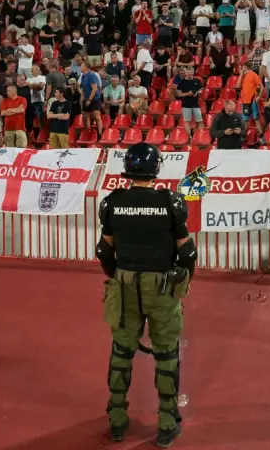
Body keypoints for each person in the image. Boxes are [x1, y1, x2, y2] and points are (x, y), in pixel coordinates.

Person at [97, 143, 195, 448]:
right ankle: (166, 423)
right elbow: (187, 250)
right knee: (166, 353)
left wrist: (117, 276)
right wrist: (183, 277)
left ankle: (116, 421)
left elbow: (103, 249)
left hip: (125, 282)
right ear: (156, 168)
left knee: (121, 351)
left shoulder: (112, 202)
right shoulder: (171, 202)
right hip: (163, 285)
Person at [79, 62, 104, 139]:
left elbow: (95, 89)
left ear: (86, 67)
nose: (80, 67)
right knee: (86, 116)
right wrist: (82, 97)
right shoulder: (83, 75)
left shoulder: (91, 75)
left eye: (82, 65)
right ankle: (88, 133)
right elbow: (82, 87)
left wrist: (89, 100)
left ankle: (100, 134)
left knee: (97, 117)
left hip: (94, 99)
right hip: (86, 98)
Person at [237, 61, 263, 136]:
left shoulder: (253, 75)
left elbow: (262, 87)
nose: (241, 69)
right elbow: (238, 86)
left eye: (242, 68)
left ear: (245, 67)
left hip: (253, 100)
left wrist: (259, 97)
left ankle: (261, 136)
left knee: (256, 119)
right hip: (245, 101)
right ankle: (244, 136)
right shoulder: (243, 76)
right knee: (245, 120)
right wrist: (241, 74)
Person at [176, 65, 203, 133]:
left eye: (191, 73)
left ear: (193, 73)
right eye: (188, 73)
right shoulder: (181, 82)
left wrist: (197, 93)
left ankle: (201, 135)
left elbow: (201, 90)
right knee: (187, 122)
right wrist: (187, 94)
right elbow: (179, 94)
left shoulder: (197, 80)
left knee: (200, 121)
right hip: (186, 105)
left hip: (196, 105)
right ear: (186, 73)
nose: (190, 75)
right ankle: (189, 137)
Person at [0, 83, 28, 148]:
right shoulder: (5, 101)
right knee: (9, 150)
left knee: (21, 149)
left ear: (14, 91)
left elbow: (21, 110)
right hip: (8, 129)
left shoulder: (22, 99)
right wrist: (17, 109)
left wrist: (9, 109)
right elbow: (3, 113)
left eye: (8, 91)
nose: (7, 92)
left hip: (20, 128)